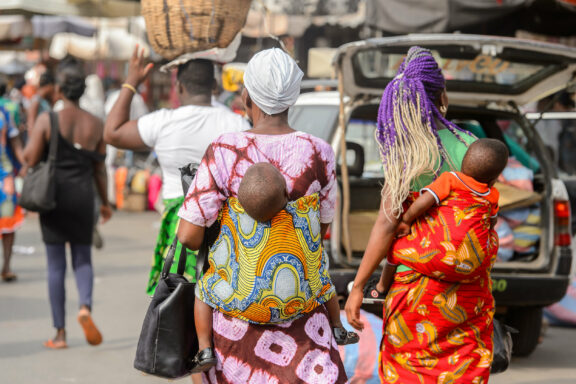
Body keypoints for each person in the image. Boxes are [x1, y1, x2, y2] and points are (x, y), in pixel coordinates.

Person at [177, 47, 347, 383]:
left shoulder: (225, 149)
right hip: (303, 320)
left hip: (236, 326)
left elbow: (188, 236)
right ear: (293, 97)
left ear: (246, 96)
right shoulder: (319, 152)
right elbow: (321, 227)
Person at [345, 46, 500, 383]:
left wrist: (358, 287)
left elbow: (386, 225)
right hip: (467, 292)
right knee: (463, 370)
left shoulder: (407, 156)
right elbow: (487, 215)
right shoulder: (472, 146)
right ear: (441, 95)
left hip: (417, 294)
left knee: (408, 373)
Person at [104, 47, 250, 296]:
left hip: (178, 228)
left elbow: (112, 132)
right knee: (216, 300)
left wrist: (131, 82)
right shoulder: (236, 124)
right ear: (214, 86)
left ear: (179, 87)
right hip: (222, 229)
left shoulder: (163, 122)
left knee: (174, 305)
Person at [190, 162, 358, 372]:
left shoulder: (230, 211)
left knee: (202, 290)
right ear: (286, 193)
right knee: (323, 282)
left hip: (242, 301)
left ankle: (204, 348)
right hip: (298, 303)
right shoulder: (304, 210)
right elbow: (322, 216)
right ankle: (338, 328)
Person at [23, 61, 112, 349]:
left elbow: (30, 158)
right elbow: (100, 170)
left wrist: (32, 120)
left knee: (55, 265)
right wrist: (106, 203)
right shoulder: (96, 124)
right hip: (84, 197)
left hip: (53, 198)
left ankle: (60, 334)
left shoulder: (47, 120)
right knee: (83, 258)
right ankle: (84, 307)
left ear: (59, 90)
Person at [373, 138, 508, 297]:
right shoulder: (492, 195)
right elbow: (492, 223)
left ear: (463, 163)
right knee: (492, 236)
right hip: (472, 267)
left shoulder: (451, 179)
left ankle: (381, 287)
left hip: (438, 258)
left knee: (395, 247)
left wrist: (406, 220)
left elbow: (424, 202)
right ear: (494, 179)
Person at [0, 82, 26, 282]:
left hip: (4, 176)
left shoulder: (5, 114)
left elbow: (15, 141)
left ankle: (6, 267)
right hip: (6, 176)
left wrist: (25, 164)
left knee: (8, 221)